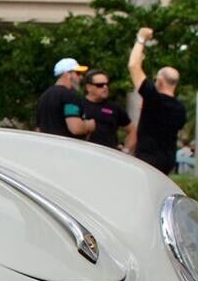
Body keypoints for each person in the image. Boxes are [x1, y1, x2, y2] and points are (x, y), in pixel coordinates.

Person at [125, 27, 188, 174]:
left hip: (147, 161)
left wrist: (141, 39)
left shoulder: (154, 99)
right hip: (167, 163)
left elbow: (133, 66)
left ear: (159, 81)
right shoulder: (180, 109)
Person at [34, 58, 96, 138]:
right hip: (68, 147)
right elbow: (75, 128)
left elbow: (38, 129)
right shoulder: (69, 96)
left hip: (48, 147)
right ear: (67, 74)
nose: (81, 77)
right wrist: (89, 125)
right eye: (78, 73)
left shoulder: (44, 96)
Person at [80, 69, 129, 149]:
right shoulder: (79, 104)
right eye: (100, 85)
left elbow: (132, 130)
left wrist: (126, 150)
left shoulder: (114, 107)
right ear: (88, 87)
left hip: (108, 155)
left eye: (107, 84)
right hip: (85, 152)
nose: (105, 87)